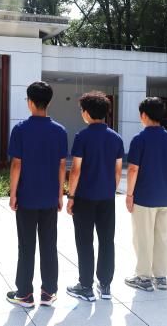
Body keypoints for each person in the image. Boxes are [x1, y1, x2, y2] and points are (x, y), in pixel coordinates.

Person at [6, 81, 68, 308]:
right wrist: (60, 194)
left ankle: (24, 294)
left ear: (30, 102)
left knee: (26, 245)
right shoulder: (60, 131)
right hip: (49, 197)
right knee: (49, 244)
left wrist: (13, 193)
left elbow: (16, 165)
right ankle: (49, 292)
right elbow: (62, 165)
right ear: (48, 102)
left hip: (26, 197)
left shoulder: (20, 129)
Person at [66, 91, 124, 302]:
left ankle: (85, 286)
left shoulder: (82, 137)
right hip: (107, 197)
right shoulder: (116, 138)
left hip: (84, 197)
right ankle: (105, 285)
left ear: (87, 113)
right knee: (107, 240)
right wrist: (110, 189)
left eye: (82, 110)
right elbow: (118, 170)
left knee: (85, 241)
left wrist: (71, 196)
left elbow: (76, 170)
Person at [124, 97, 167, 292]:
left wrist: (129, 194)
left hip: (144, 197)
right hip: (164, 196)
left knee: (143, 237)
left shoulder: (139, 139)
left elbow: (133, 169)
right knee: (163, 237)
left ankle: (144, 277)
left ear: (144, 115)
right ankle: (161, 277)